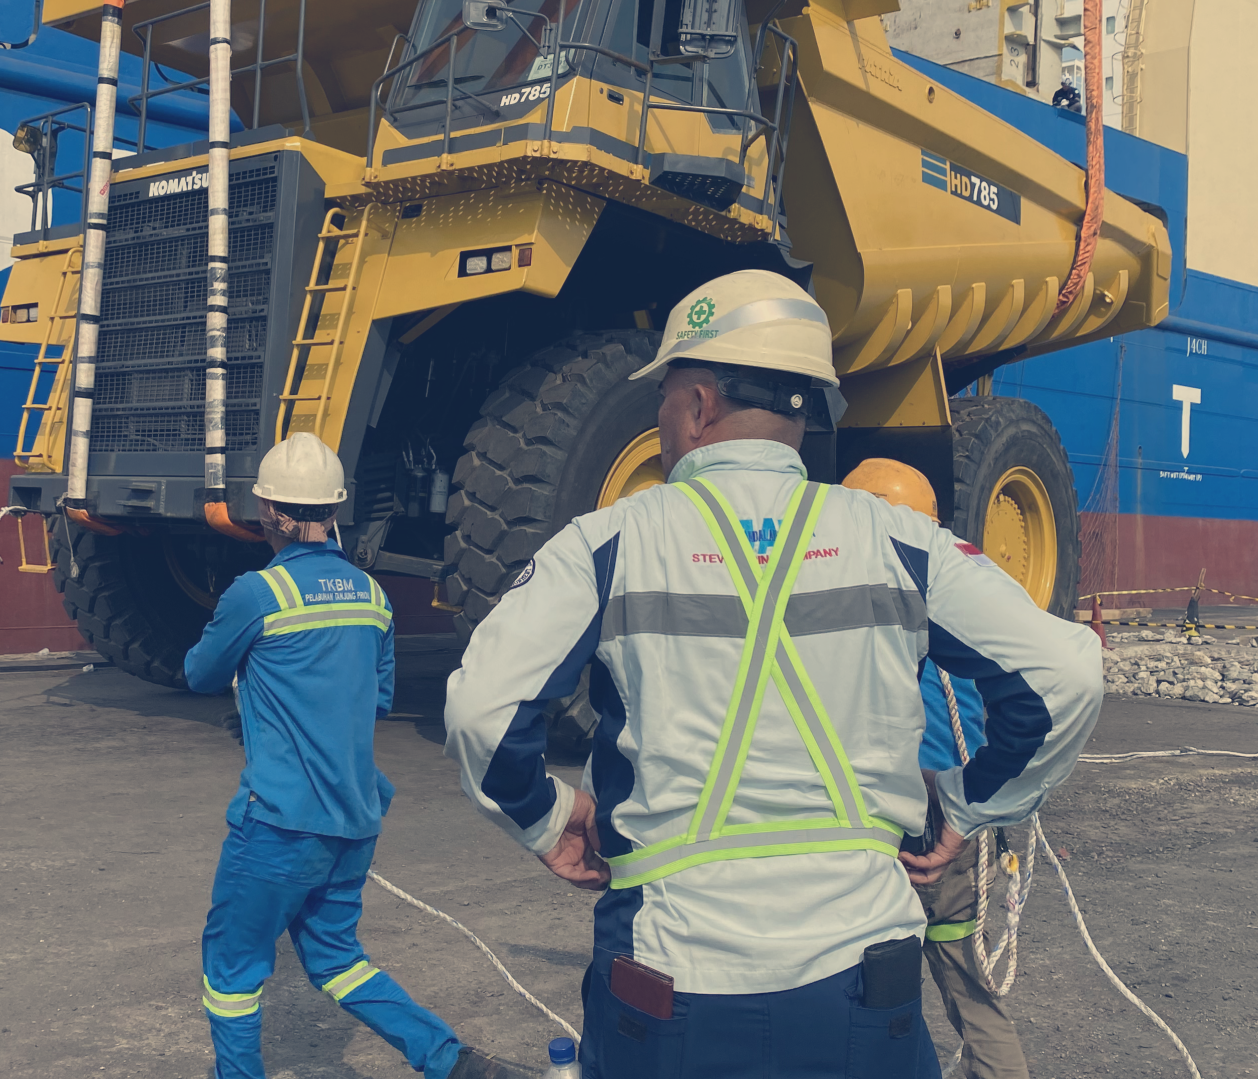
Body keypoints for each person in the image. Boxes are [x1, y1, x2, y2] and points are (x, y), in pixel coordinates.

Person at [442, 270, 1103, 1077]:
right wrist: (969, 803)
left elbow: (482, 709)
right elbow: (1062, 675)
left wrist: (548, 820)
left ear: (695, 404)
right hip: (866, 981)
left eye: (661, 402)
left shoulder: (605, 544)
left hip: (667, 975)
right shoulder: (897, 541)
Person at [185, 432, 527, 1079]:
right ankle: (448, 1060)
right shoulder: (372, 597)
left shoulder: (256, 595)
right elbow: (370, 701)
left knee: (230, 972)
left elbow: (200, 673)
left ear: (267, 512)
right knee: (336, 960)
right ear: (333, 511)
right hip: (352, 820)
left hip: (278, 826)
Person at [842, 458, 1032, 1079]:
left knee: (858, 993)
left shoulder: (852, 603)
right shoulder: (964, 595)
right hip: (957, 816)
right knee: (970, 996)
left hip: (889, 817)